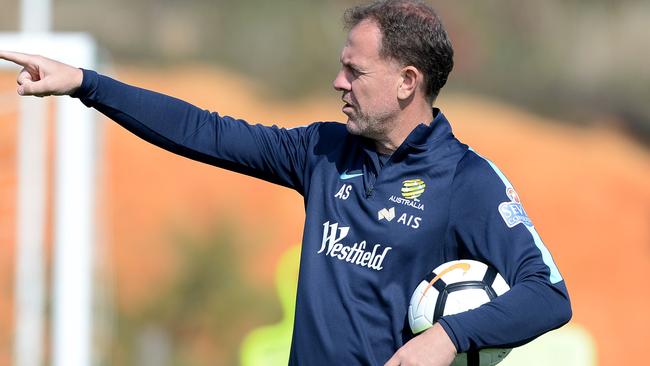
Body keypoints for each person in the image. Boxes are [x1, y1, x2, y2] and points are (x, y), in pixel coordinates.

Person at [0, 0, 572, 365]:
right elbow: (205, 131)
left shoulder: (466, 180)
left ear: (407, 81)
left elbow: (547, 294)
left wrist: (447, 336)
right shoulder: (321, 150)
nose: (337, 80)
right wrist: (85, 83)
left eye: (355, 70)